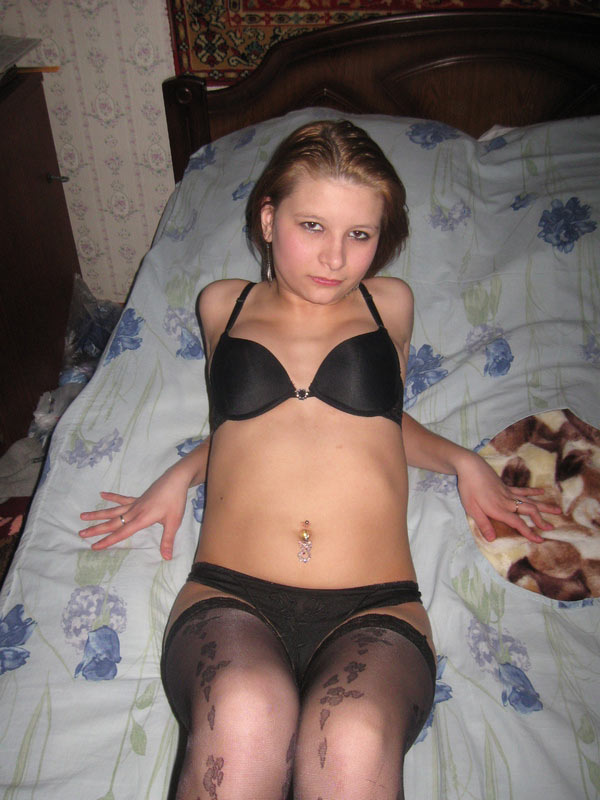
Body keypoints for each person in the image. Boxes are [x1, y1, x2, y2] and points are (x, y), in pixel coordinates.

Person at [80, 120, 560, 800]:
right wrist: (180, 474)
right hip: (231, 593)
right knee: (243, 715)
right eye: (312, 226)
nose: (335, 258)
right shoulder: (223, 304)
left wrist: (463, 462)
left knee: (353, 740)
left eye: (359, 235)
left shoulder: (389, 304)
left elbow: (378, 422)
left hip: (377, 606)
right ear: (268, 218)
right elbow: (243, 427)